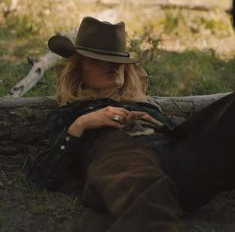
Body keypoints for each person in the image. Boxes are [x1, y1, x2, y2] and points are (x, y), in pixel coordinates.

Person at [25, 16, 235, 232]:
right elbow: (40, 175)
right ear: (78, 69)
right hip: (123, 158)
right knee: (135, 167)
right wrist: (82, 124)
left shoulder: (146, 106)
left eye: (117, 60)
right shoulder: (72, 113)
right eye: (97, 60)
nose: (112, 67)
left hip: (177, 165)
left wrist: (162, 126)